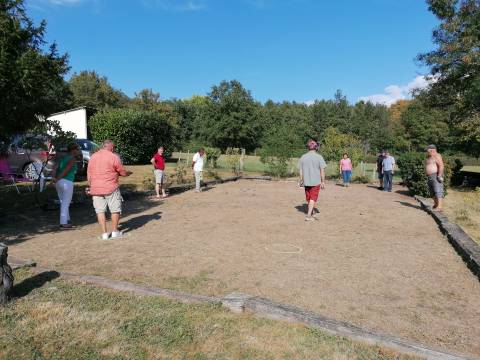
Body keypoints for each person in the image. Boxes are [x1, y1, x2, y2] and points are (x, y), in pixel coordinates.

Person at [87, 140, 132, 240]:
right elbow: (122, 171)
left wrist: (90, 186)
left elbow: (89, 174)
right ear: (111, 147)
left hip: (96, 188)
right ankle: (115, 231)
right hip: (110, 187)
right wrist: (127, 173)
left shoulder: (93, 157)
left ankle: (104, 234)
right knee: (115, 209)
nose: (114, 149)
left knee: (100, 211)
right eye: (113, 148)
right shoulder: (113, 156)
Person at [52, 143, 80, 229]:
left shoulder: (63, 158)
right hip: (66, 182)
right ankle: (63, 223)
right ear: (73, 150)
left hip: (59, 182)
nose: (78, 151)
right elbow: (66, 171)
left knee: (63, 201)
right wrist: (57, 178)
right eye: (77, 149)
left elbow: (54, 168)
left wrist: (54, 178)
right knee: (65, 202)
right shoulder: (72, 159)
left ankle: (67, 220)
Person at [298, 139, 327, 221]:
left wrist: (301, 180)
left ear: (308, 147)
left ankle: (313, 212)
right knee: (313, 199)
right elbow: (322, 170)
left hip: (306, 181)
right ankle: (308, 216)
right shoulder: (319, 157)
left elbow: (300, 170)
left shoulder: (303, 157)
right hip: (316, 182)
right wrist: (323, 181)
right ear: (316, 147)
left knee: (309, 198)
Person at [425, 144, 445, 211]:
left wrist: (439, 175)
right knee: (432, 192)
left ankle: (439, 207)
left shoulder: (437, 156)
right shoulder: (430, 156)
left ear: (432, 150)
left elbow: (441, 165)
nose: (427, 152)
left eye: (428, 150)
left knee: (438, 190)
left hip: (436, 175)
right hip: (430, 176)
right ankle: (436, 205)